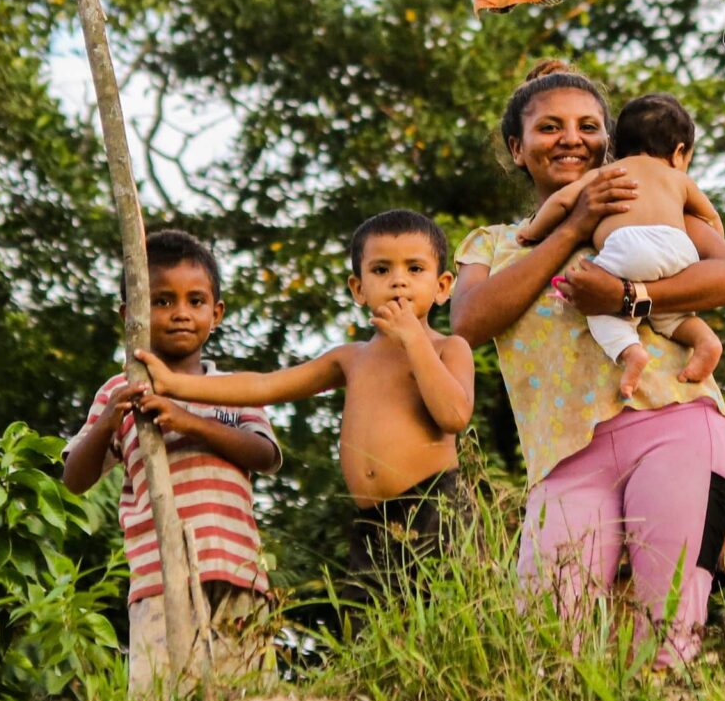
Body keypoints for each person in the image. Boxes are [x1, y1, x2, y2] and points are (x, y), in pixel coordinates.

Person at [450, 61, 725, 667]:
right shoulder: (493, 244)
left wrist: (629, 299)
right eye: (549, 127)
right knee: (546, 648)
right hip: (563, 458)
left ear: (610, 142)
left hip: (676, 423)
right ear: (517, 148)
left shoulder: (660, 208)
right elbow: (470, 321)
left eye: (588, 125)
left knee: (671, 630)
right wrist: (574, 228)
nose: (571, 137)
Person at [143, 209, 476, 590]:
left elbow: (453, 414)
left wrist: (414, 339)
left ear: (443, 286)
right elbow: (265, 387)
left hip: (435, 506)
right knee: (377, 635)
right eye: (382, 270)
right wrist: (174, 385)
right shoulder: (350, 359)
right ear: (358, 288)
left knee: (439, 623)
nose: (398, 281)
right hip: (372, 521)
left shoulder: (449, 348)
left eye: (415, 269)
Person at [62, 229, 283, 694]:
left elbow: (264, 455)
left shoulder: (235, 389)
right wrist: (107, 423)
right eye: (162, 301)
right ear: (131, 313)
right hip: (159, 579)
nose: (181, 313)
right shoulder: (116, 392)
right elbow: (73, 479)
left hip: (239, 571)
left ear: (215, 313)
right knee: (163, 699)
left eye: (195, 301)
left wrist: (189, 420)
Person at [516, 92, 722, 397]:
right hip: (681, 250)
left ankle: (630, 352)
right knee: (672, 315)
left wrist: (532, 231)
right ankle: (706, 342)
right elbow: (712, 219)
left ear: (613, 146)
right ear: (680, 152)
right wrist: (706, 257)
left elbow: (561, 202)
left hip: (627, 248)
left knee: (594, 299)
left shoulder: (608, 174)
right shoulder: (679, 180)